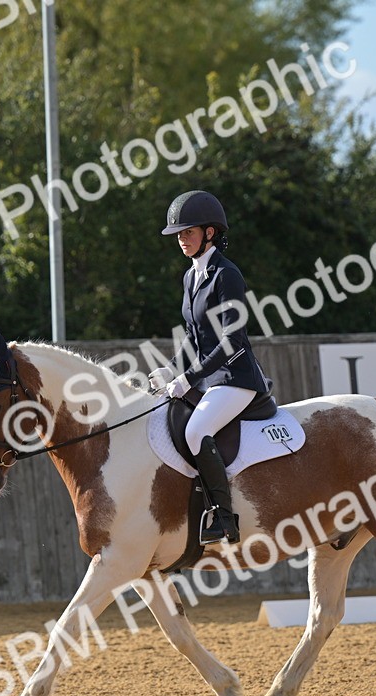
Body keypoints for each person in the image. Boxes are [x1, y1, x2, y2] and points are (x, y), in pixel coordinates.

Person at [148, 190, 272, 545]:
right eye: (179, 234)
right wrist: (171, 370)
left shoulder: (226, 275)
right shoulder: (191, 277)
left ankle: (224, 517)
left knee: (196, 430)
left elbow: (232, 340)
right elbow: (194, 337)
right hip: (209, 379)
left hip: (236, 377)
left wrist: (189, 378)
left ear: (210, 233)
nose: (181, 240)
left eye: (188, 232)